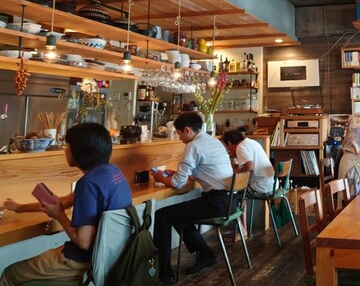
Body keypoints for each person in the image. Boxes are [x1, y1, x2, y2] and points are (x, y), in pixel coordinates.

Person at [0, 123, 132, 286]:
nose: (65, 149)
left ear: (80, 151)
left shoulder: (88, 184)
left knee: (10, 274)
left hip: (81, 262)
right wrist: (19, 208)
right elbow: (61, 203)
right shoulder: (112, 173)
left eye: (68, 145)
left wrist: (59, 216)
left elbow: (84, 242)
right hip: (111, 258)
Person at [151, 112, 234, 285]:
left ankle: (164, 273)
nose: (179, 138)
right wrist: (178, 173)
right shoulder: (213, 141)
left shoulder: (193, 146)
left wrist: (160, 177)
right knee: (178, 214)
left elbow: (177, 184)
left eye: (179, 133)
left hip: (216, 202)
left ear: (187, 130)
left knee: (162, 215)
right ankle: (205, 253)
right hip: (231, 201)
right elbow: (207, 169)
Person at [222, 129, 274, 195]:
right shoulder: (251, 142)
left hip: (260, 187)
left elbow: (250, 167)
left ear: (229, 143)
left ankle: (240, 202)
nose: (228, 150)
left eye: (227, 147)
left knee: (229, 190)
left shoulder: (240, 147)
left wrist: (235, 171)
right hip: (272, 185)